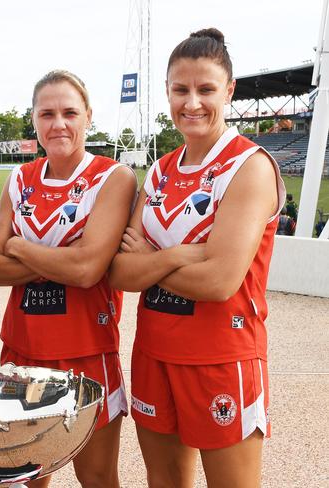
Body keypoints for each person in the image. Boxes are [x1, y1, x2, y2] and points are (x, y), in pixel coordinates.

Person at [109, 28, 285, 487]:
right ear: (166, 91)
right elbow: (121, 271)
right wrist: (185, 253)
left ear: (228, 90)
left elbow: (219, 282)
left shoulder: (250, 166)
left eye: (206, 89)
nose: (192, 103)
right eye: (180, 89)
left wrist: (154, 257)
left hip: (222, 357)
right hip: (153, 350)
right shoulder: (161, 169)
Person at [0, 70, 136, 488]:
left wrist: (19, 247)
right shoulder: (19, 180)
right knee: (21, 475)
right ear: (34, 119)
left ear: (88, 116)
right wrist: (69, 256)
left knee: (98, 477)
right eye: (47, 113)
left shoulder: (112, 177)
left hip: (87, 350)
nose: (58, 123)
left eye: (69, 112)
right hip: (22, 346)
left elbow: (88, 273)